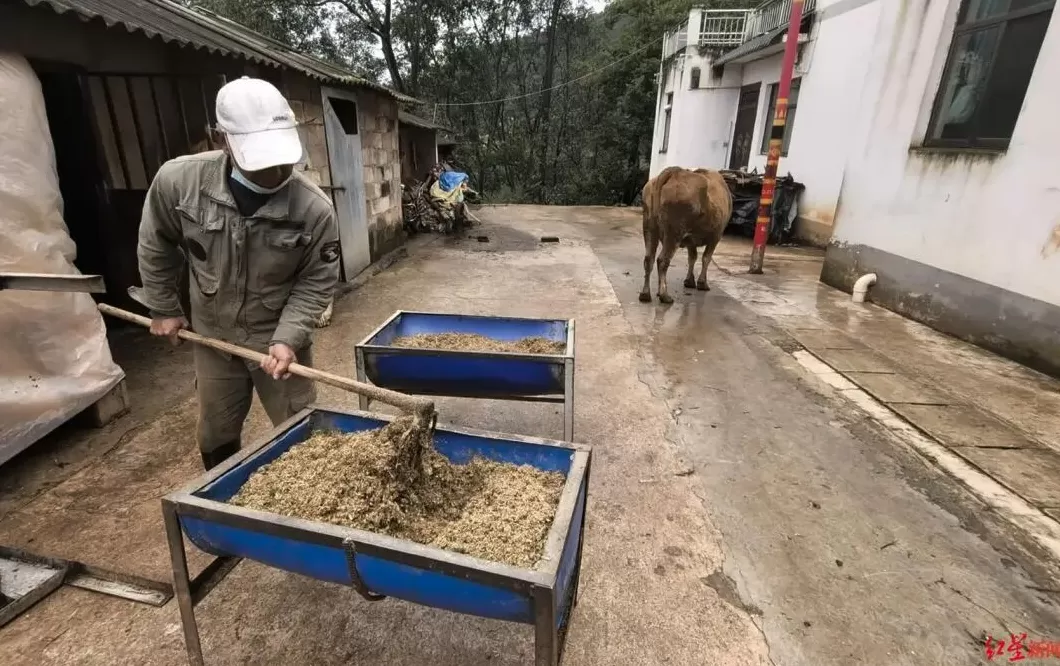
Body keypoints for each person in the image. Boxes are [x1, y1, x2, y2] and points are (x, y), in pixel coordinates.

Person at [137, 77, 340, 470]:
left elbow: (316, 282)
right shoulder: (178, 183)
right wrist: (162, 305)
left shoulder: (313, 210)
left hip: (276, 337)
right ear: (222, 139)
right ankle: (226, 502)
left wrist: (288, 338)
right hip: (213, 337)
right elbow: (156, 241)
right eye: (263, 160)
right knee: (215, 430)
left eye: (284, 158)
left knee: (304, 431)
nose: (279, 171)